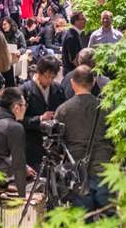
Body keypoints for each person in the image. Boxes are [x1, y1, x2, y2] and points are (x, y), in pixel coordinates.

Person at [55, 65, 115, 212]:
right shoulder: (106, 108)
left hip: (77, 169)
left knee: (82, 216)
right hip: (103, 166)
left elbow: (58, 143)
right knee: (108, 215)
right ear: (93, 82)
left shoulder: (63, 110)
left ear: (72, 82)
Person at [20, 56, 67, 167]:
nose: (50, 80)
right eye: (47, 76)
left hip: (53, 144)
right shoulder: (25, 90)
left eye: (53, 77)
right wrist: (40, 118)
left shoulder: (58, 89)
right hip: (32, 143)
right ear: (39, 72)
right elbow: (19, 119)